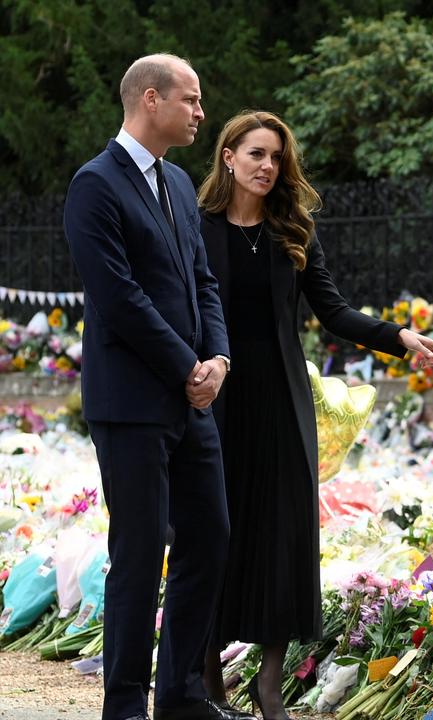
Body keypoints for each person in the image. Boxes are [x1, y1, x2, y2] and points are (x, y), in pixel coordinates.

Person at [195, 110, 433, 720]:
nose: (268, 166)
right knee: (216, 533)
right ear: (228, 157)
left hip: (284, 400)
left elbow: (334, 313)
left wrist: (400, 338)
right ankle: (207, 676)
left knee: (284, 536)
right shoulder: (196, 228)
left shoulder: (295, 229)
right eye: (256, 153)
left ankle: (267, 680)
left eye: (277, 157)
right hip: (217, 399)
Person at [64, 54, 236, 720]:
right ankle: (127, 705)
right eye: (191, 100)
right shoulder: (95, 185)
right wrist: (185, 368)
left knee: (210, 537)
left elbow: (202, 283)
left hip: (192, 398)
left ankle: (183, 696)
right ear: (151, 98)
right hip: (133, 403)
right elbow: (119, 297)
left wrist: (217, 358)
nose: (200, 113)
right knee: (138, 554)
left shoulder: (179, 183)